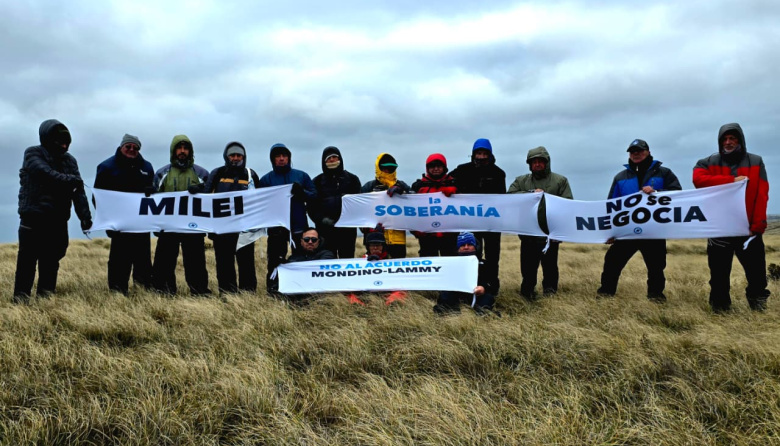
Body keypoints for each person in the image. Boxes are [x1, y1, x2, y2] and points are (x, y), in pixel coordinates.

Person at [693, 123, 770, 312]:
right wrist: (730, 181)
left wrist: (758, 224)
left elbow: (762, 193)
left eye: (732, 138)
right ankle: (720, 309)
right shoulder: (708, 162)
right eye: (725, 139)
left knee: (757, 274)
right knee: (718, 274)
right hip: (720, 229)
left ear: (740, 140)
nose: (728, 142)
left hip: (748, 230)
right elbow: (698, 180)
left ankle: (758, 305)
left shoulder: (756, 161)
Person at [13, 119, 92, 303]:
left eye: (67, 143)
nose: (64, 146)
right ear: (48, 139)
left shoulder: (69, 160)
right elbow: (44, 173)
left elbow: (78, 191)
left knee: (51, 263)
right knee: (27, 264)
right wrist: (71, 180)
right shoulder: (33, 153)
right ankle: (20, 303)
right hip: (33, 219)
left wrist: (85, 218)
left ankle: (45, 301)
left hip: (57, 221)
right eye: (61, 142)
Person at [597, 139, 681, 302]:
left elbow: (677, 194)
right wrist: (611, 231)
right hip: (627, 231)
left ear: (648, 152)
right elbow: (612, 205)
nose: (635, 154)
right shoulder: (620, 177)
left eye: (639, 150)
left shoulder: (663, 173)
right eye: (632, 151)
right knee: (612, 263)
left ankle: (656, 298)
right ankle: (605, 295)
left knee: (656, 268)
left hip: (653, 231)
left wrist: (657, 192)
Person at [507, 146, 573, 300]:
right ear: (529, 164)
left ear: (547, 162)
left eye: (540, 161)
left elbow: (568, 204)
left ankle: (550, 295)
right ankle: (527, 295)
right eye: (533, 162)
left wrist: (560, 231)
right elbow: (509, 196)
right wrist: (530, 194)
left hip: (550, 234)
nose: (537, 164)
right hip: (527, 233)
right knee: (528, 269)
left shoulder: (560, 181)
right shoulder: (521, 181)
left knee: (550, 268)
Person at [94, 134, 155, 295]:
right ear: (121, 147)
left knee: (143, 263)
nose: (131, 150)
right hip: (119, 227)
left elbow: (154, 196)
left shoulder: (147, 168)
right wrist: (108, 222)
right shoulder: (106, 167)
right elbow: (98, 198)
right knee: (119, 263)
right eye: (128, 146)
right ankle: (118, 295)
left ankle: (143, 294)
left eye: (135, 148)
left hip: (141, 226)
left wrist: (152, 191)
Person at [151, 135, 211, 296]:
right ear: (173, 150)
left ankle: (199, 292)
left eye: (185, 148)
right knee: (164, 261)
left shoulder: (202, 173)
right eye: (179, 148)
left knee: (196, 262)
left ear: (190, 151)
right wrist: (156, 224)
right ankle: (163, 291)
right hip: (168, 226)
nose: (182, 151)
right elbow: (152, 199)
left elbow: (211, 196)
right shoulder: (162, 173)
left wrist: (201, 190)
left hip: (193, 227)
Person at [200, 142, 261, 294]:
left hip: (244, 228)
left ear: (244, 157)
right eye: (232, 155)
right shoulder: (217, 173)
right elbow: (206, 198)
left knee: (246, 263)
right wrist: (210, 227)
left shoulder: (250, 174)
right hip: (222, 229)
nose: (235, 158)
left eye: (238, 155)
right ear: (226, 157)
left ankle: (248, 293)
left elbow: (260, 199)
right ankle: (228, 294)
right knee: (224, 263)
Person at [258, 143, 317, 293]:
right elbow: (259, 202)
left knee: (301, 260)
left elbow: (314, 196)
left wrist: (302, 192)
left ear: (289, 158)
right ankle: (274, 290)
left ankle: (303, 289)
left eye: (284, 156)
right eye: (278, 156)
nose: (282, 159)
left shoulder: (301, 176)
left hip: (299, 226)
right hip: (277, 227)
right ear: (272, 159)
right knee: (275, 261)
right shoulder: (266, 180)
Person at [450, 138, 506, 294]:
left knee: (493, 257)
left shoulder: (499, 173)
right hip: (470, 223)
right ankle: (470, 287)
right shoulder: (462, 170)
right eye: (478, 153)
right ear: (473, 154)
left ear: (490, 154)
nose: (481, 157)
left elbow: (503, 199)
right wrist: (452, 187)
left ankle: (491, 288)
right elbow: (446, 181)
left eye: (484, 153)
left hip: (492, 224)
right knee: (471, 255)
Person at [309, 146, 361, 258]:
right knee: (327, 260)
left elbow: (359, 203)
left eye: (334, 157)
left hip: (347, 231)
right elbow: (311, 206)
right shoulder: (317, 181)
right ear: (324, 161)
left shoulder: (352, 179)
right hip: (325, 231)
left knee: (347, 261)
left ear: (340, 159)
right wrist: (322, 220)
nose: (332, 160)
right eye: (329, 158)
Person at [360, 153, 411, 259]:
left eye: (390, 168)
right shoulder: (368, 187)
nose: (387, 171)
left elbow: (416, 203)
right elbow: (360, 214)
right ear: (379, 168)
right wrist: (371, 228)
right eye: (384, 168)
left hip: (398, 240)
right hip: (375, 240)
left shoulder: (401, 185)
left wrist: (403, 192)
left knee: (398, 270)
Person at [433, 232, 497, 315]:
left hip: (476, 294)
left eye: (469, 244)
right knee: (445, 296)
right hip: (456, 294)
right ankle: (450, 312)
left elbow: (492, 284)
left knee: (487, 299)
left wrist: (483, 288)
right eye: (462, 245)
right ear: (458, 248)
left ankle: (483, 313)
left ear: (476, 246)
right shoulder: (450, 264)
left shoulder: (484, 264)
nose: (466, 247)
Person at [411, 153, 458, 257]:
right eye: (432, 166)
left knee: (450, 265)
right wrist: (416, 231)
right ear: (427, 168)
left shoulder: (455, 184)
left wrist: (455, 191)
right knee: (429, 267)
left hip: (450, 235)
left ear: (444, 168)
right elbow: (409, 210)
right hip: (427, 235)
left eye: (439, 166)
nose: (436, 169)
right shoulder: (418, 186)